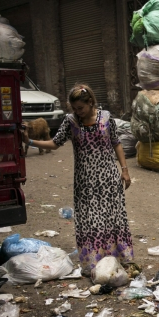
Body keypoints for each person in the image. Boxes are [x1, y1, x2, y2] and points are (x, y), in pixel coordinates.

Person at [22, 84, 134, 277]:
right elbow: (55, 144)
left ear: (90, 102)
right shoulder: (70, 122)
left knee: (112, 218)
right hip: (85, 182)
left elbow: (116, 143)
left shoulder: (106, 118)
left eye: (80, 108)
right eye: (74, 109)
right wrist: (29, 142)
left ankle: (119, 259)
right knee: (89, 221)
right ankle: (93, 263)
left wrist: (124, 170)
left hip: (108, 178)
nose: (77, 112)